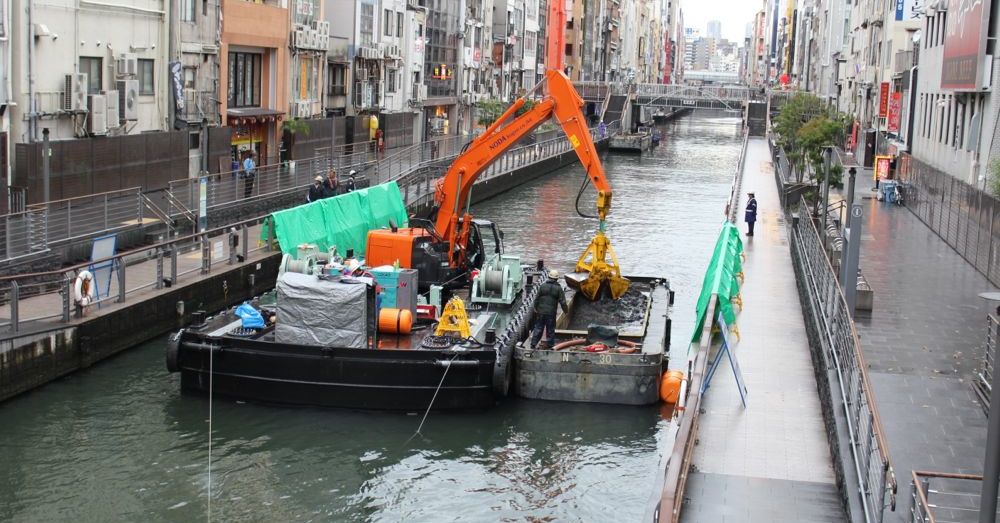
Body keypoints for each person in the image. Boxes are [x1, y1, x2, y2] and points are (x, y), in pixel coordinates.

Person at [530, 269, 568, 349]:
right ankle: (550, 344)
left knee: (538, 327)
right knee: (550, 329)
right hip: (551, 313)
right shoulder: (558, 289)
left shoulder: (542, 286)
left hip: (541, 312)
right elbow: (563, 302)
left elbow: (536, 298)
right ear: (557, 278)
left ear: (549, 277)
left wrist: (536, 308)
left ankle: (533, 343)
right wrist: (566, 311)